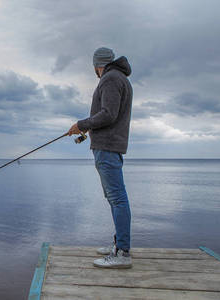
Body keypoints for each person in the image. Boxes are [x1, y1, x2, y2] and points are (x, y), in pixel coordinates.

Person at [67, 47, 133, 268]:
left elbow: (108, 114)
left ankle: (122, 253)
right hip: (110, 146)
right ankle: (119, 245)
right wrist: (86, 129)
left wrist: (81, 125)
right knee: (114, 198)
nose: (94, 70)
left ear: (98, 64)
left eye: (94, 66)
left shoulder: (110, 79)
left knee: (117, 199)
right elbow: (109, 115)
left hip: (107, 147)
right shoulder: (118, 78)